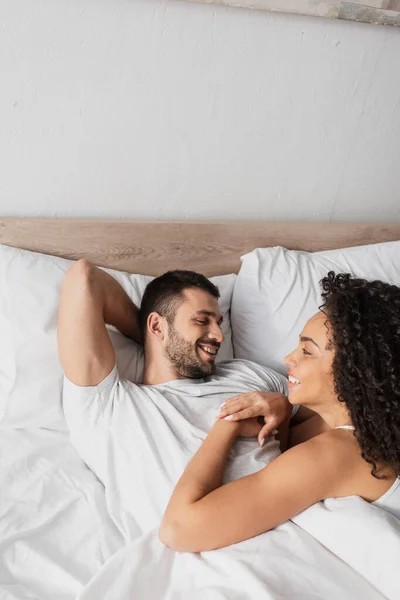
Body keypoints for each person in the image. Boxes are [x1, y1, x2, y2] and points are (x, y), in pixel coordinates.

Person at [58, 261, 303, 538]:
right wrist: (151, 336)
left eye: (219, 322)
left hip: (298, 532)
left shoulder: (245, 373)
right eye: (202, 321)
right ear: (157, 325)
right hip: (200, 552)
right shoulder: (109, 404)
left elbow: (330, 422)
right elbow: (84, 278)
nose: (219, 336)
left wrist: (282, 408)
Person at [159, 272, 400, 552]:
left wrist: (227, 423)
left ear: (354, 371)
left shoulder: (337, 452)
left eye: (307, 351)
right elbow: (287, 462)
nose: (289, 358)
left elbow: (178, 529)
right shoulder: (354, 427)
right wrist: (283, 412)